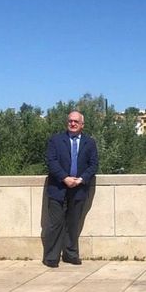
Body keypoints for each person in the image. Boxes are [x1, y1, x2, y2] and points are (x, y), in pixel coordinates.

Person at [42, 111, 99, 268]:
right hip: (58, 187)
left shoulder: (90, 142)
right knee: (55, 223)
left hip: (79, 188)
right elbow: (51, 161)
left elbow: (93, 165)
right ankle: (51, 257)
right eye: (70, 121)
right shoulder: (56, 140)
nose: (72, 124)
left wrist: (81, 179)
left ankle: (70, 254)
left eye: (76, 122)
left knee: (73, 223)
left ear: (82, 125)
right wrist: (64, 178)